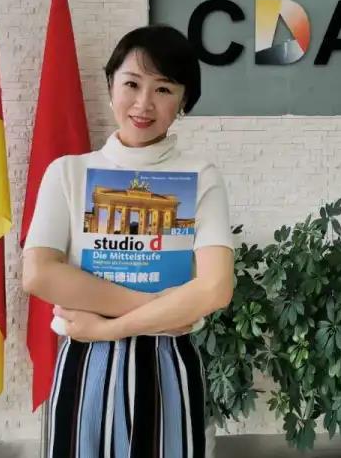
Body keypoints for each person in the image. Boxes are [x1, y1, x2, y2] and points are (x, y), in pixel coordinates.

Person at [23, 25, 234, 458]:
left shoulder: (201, 175)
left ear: (184, 101)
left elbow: (216, 288)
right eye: (132, 84)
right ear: (111, 84)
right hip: (86, 363)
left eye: (164, 89)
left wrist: (108, 327)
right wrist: (160, 307)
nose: (143, 103)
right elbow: (39, 274)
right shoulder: (68, 171)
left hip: (166, 361)